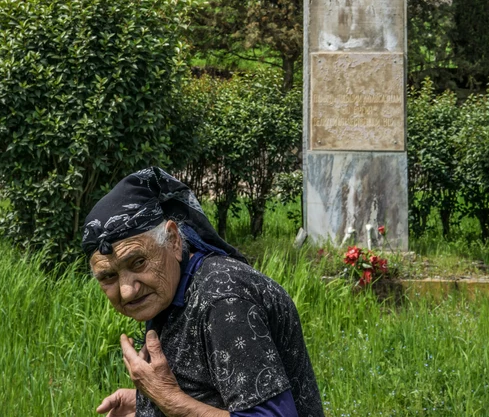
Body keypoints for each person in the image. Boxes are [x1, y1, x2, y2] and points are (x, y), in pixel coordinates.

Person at [84, 167, 324, 417]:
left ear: (174, 241)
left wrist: (167, 400)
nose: (126, 291)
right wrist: (145, 403)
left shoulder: (223, 301)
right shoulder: (172, 289)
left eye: (138, 263)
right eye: (108, 276)